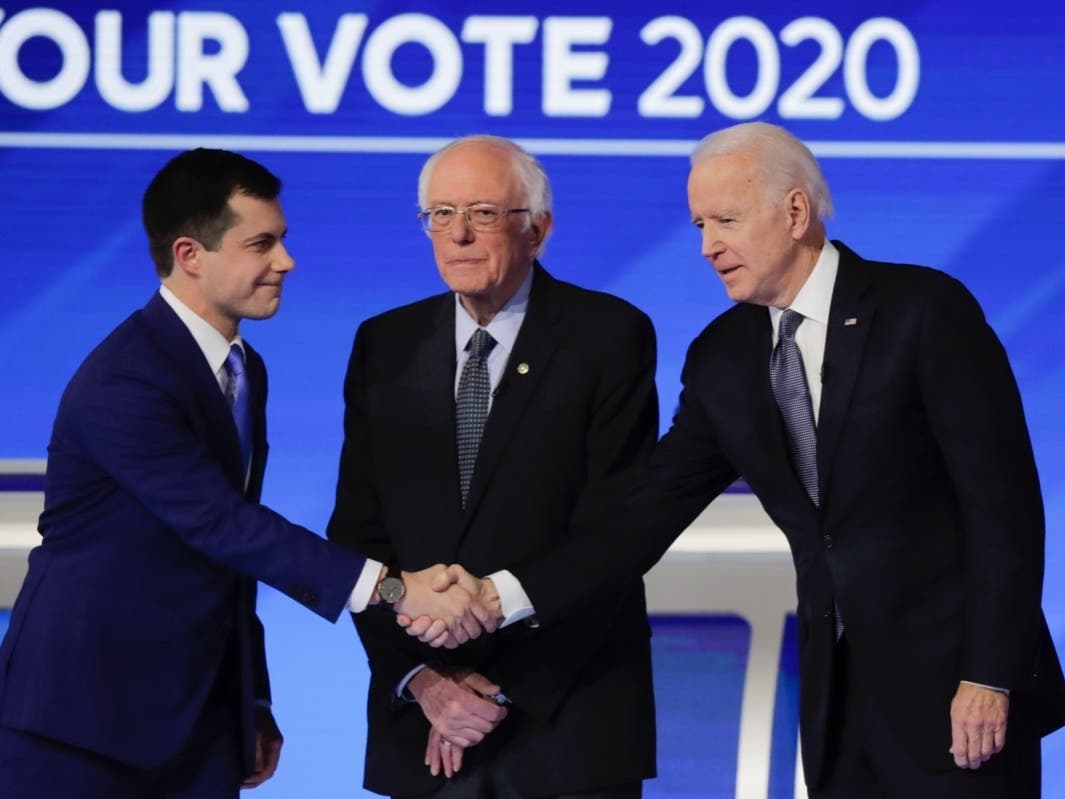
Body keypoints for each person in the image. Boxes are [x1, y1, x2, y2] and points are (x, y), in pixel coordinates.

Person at [418, 123, 1065, 798]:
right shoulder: (723, 357)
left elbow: (1003, 507)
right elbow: (642, 512)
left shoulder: (921, 312)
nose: (706, 246)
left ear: (794, 212)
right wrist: (501, 594)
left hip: (957, 692)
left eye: (724, 219)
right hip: (835, 706)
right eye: (698, 224)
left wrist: (988, 674)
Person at [0, 148, 488, 799]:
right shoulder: (128, 377)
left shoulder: (242, 369)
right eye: (261, 243)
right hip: (82, 718)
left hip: (200, 719)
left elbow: (228, 562)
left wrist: (250, 696)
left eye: (282, 240)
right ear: (190, 254)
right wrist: (397, 588)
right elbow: (222, 523)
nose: (285, 261)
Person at [326, 135, 659, 798]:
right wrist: (421, 680)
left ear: (537, 227)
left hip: (565, 722)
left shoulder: (608, 335)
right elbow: (358, 537)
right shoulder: (383, 344)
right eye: (439, 214)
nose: (458, 234)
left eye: (482, 212)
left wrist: (504, 691)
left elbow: (617, 534)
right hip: (422, 729)